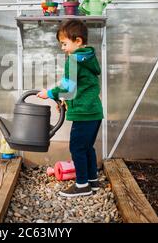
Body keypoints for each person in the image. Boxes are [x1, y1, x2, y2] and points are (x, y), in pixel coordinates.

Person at [37, 19, 103, 197]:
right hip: (94, 112)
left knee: (77, 148)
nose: (62, 48)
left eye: (64, 43)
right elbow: (79, 87)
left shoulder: (73, 61)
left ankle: (81, 185)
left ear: (78, 41)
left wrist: (49, 93)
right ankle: (92, 181)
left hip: (84, 112)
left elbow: (68, 88)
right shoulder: (87, 58)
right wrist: (66, 101)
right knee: (87, 147)